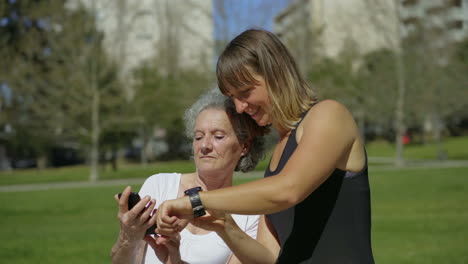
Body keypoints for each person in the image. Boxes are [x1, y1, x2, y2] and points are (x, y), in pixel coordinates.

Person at [155, 28, 375, 263]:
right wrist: (224, 226)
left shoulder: (329, 115)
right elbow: (270, 257)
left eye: (245, 92)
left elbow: (288, 190)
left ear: (275, 73)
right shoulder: (277, 159)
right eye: (232, 97)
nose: (239, 107)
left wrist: (196, 200)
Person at [110, 88, 269, 264]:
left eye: (218, 136)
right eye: (198, 137)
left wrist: (176, 261)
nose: (205, 146)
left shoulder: (249, 214)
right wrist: (128, 237)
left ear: (244, 146)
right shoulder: (159, 185)